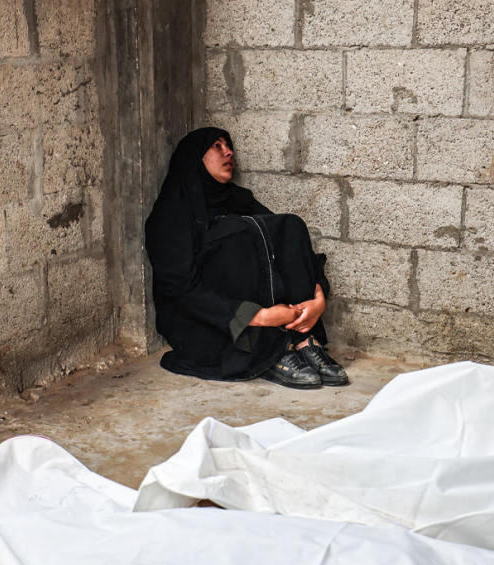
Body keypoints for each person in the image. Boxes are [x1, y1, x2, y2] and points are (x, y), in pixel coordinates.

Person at [144, 127, 348, 388]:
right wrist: (259, 316)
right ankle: (274, 348)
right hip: (212, 319)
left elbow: (285, 243)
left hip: (268, 312)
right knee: (236, 234)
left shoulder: (238, 199)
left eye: (228, 145)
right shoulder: (171, 214)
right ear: (194, 157)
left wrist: (317, 299)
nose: (228, 152)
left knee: (289, 225)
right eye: (216, 146)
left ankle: (303, 339)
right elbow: (181, 290)